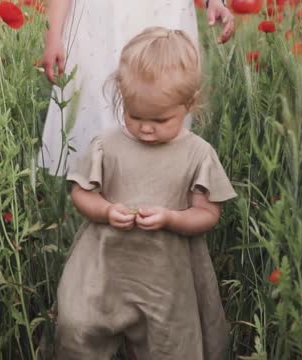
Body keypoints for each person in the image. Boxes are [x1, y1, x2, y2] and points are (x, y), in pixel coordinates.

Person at [54, 27, 238, 360]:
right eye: (134, 116)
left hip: (167, 272)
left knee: (170, 342)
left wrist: (171, 218)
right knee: (77, 324)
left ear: (189, 103)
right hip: (104, 263)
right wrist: (106, 211)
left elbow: (208, 212)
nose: (145, 128)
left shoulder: (197, 153)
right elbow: (81, 193)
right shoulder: (107, 145)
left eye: (160, 119)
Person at [38, 0, 234, 175]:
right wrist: (53, 33)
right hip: (100, 20)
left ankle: (164, 193)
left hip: (163, 12)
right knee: (96, 101)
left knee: (164, 93)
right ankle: (92, 192)